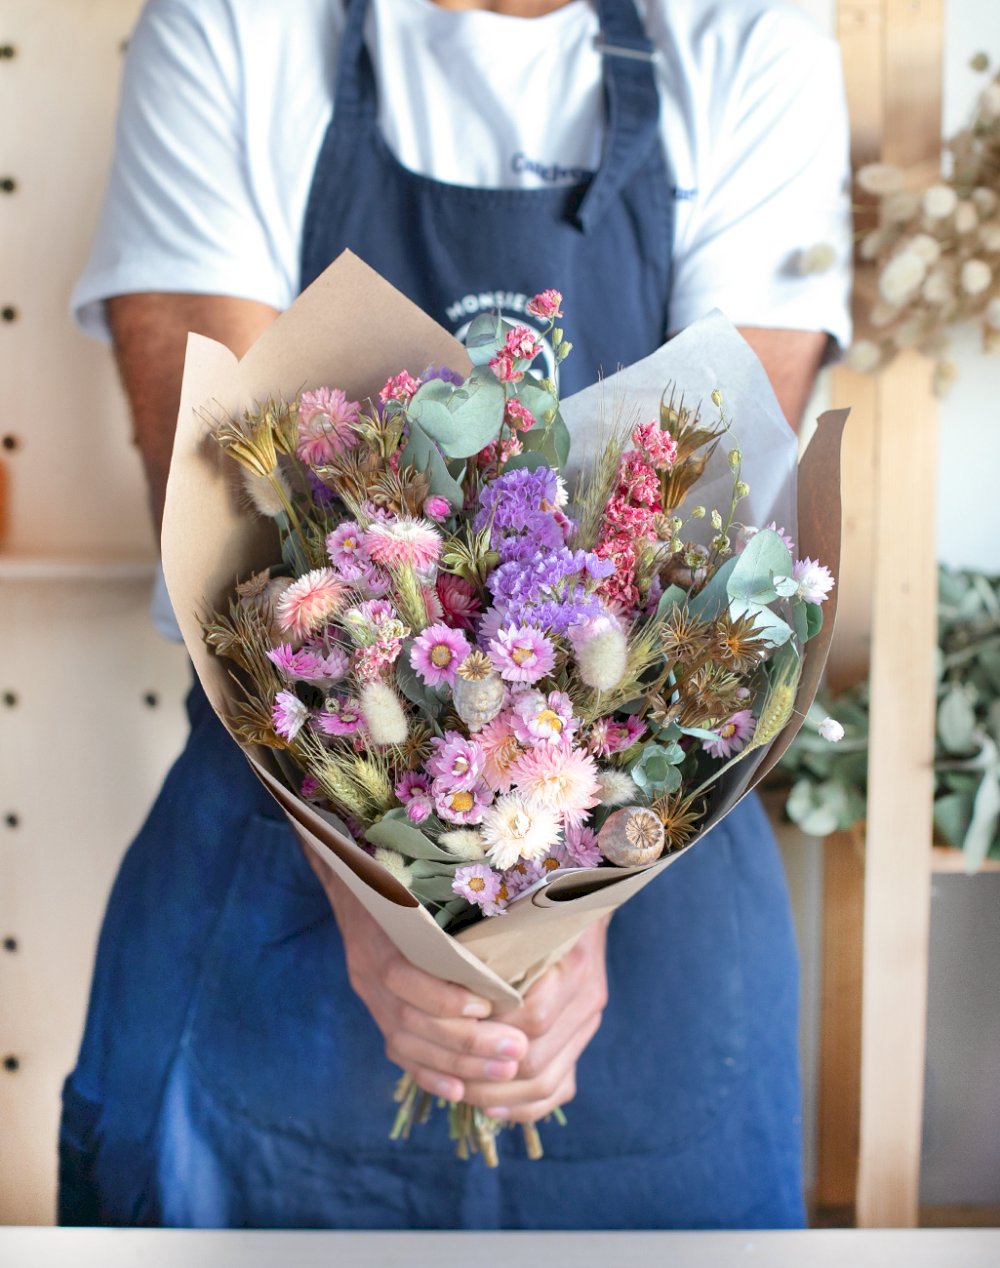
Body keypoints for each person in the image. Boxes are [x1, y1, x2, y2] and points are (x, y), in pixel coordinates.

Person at [62, 0, 851, 1229]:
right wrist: (382, 900)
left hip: (645, 842)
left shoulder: (752, 36)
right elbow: (226, 503)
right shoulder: (232, 25)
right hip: (286, 837)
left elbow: (718, 505)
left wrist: (565, 910)